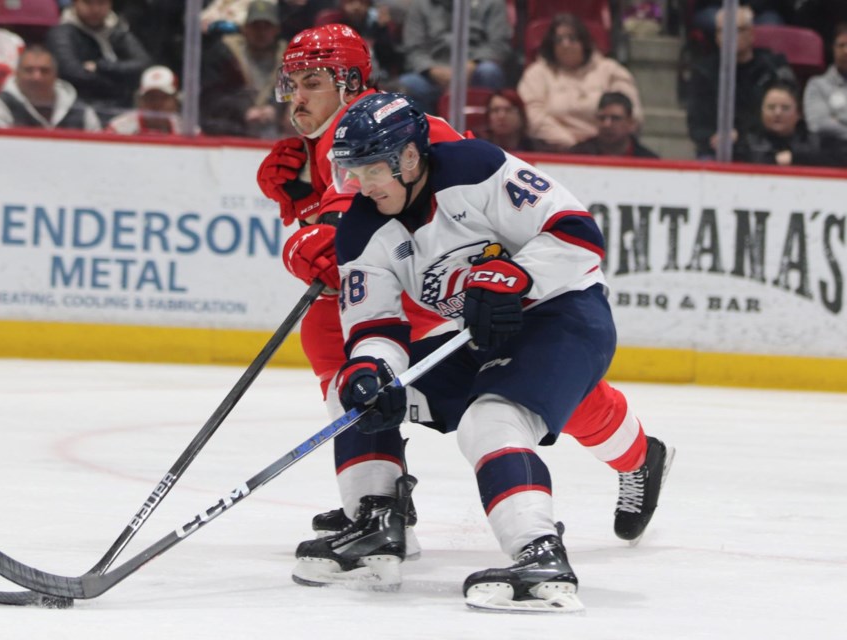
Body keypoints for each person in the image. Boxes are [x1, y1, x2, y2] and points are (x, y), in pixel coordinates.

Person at [289, 93, 674, 612]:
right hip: (471, 333)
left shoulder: (477, 168)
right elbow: (376, 324)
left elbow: (577, 233)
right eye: (350, 172)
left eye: (371, 169)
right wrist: (373, 367)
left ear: (408, 158)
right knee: (355, 394)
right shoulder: (362, 228)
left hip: (563, 315)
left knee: (490, 420)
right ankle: (376, 526)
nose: (361, 186)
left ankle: (539, 553)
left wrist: (517, 274)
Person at [255, 23, 466, 551]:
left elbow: (348, 233)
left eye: (312, 83)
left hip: (464, 274)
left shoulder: (362, 127)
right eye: (292, 85)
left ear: (349, 84)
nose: (297, 99)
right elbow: (350, 228)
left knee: (545, 388)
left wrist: (306, 236)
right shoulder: (336, 133)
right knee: (333, 329)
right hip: (430, 271)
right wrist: (306, 201)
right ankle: (378, 502)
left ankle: (378, 506)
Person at [517, 13, 644, 152]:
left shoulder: (610, 70)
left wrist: (598, 142)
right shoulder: (536, 73)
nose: (565, 45)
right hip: (552, 149)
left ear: (584, 42)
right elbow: (532, 115)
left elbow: (631, 113)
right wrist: (570, 142)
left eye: (572, 38)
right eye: (559, 40)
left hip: (605, 150)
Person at [685, 5, 796, 159]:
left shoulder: (772, 68)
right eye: (722, 31)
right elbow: (696, 123)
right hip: (718, 150)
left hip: (765, 145)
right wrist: (714, 137)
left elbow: (785, 114)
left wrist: (742, 135)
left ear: (751, 34)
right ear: (716, 37)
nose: (729, 36)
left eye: (736, 30)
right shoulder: (703, 72)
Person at [46, 0, 152, 124]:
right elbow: (72, 72)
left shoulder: (116, 30)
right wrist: (121, 85)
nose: (95, 9)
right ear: (74, 3)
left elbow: (144, 64)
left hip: (123, 108)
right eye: (88, 3)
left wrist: (102, 66)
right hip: (79, 109)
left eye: (101, 3)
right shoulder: (62, 33)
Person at [397, 0, 511, 115]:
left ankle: (486, 127)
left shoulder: (492, 3)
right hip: (434, 72)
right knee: (408, 83)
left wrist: (472, 65)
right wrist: (433, 70)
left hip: (476, 68)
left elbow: (498, 44)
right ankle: (428, 130)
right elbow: (414, 49)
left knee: (489, 71)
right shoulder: (420, 5)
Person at [199, 0, 288, 138]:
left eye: (267, 26)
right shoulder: (225, 54)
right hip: (232, 131)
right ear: (244, 28)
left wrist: (275, 108)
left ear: (277, 30)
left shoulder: (288, 59)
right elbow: (212, 96)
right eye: (256, 26)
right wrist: (243, 110)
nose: (261, 32)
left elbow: (292, 93)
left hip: (276, 133)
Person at [0, 45, 101, 130]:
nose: (36, 77)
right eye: (29, 70)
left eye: (44, 71)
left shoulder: (81, 112)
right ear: (16, 73)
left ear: (56, 75)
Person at [734, 80, 838, 166]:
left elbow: (838, 157)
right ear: (761, 111)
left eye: (785, 108)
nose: (777, 113)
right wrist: (774, 160)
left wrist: (795, 158)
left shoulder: (814, 142)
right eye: (771, 107)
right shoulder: (748, 141)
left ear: (799, 113)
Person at [570, 91, 659, 158]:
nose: (607, 124)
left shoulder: (647, 159)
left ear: (630, 123)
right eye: (602, 118)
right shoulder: (577, 155)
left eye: (615, 118)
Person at [803, 22, 847, 157]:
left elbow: (830, 125)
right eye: (841, 45)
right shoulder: (817, 85)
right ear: (833, 49)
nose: (846, 51)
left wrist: (837, 119)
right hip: (830, 155)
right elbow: (818, 123)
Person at [106, 65, 184, 135]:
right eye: (150, 98)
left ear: (176, 101)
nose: (156, 104)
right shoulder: (118, 129)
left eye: (163, 98)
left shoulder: (186, 131)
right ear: (140, 101)